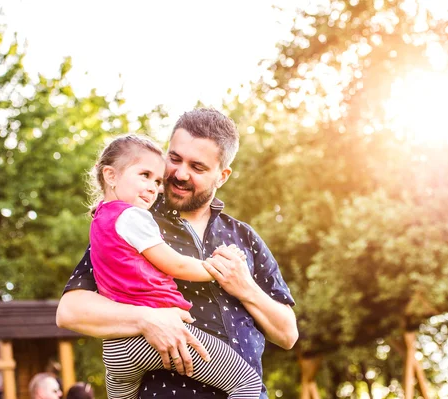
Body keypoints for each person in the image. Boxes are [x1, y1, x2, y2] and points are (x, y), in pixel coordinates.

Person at [57, 108, 298, 399]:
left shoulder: (244, 237)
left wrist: (245, 287)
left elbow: (287, 335)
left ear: (222, 176)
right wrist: (146, 319)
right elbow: (70, 311)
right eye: (175, 159)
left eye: (197, 167)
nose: (180, 174)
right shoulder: (133, 221)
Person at [86, 133, 261, 399]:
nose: (154, 188)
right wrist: (218, 268)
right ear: (110, 176)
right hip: (151, 340)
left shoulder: (100, 217)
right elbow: (175, 264)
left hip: (116, 350)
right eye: (144, 175)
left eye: (157, 181)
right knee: (246, 383)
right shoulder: (134, 217)